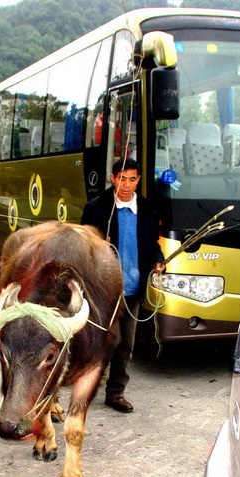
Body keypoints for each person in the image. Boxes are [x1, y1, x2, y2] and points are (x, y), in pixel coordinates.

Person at [81, 158, 165, 413]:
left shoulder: (148, 209)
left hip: (132, 290)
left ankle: (115, 393)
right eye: (122, 178)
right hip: (104, 288)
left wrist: (158, 261)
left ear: (138, 180)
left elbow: (153, 244)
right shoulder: (97, 208)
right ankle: (84, 389)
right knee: (103, 341)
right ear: (112, 178)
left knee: (125, 344)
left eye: (132, 179)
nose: (127, 185)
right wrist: (97, 246)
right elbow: (82, 243)